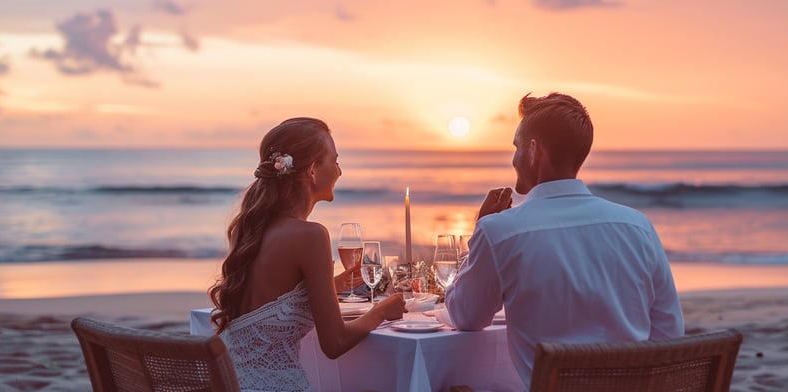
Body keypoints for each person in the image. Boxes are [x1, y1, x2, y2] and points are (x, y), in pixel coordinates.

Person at [444, 93, 684, 388]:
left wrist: (478, 235)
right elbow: (669, 335)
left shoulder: (500, 232)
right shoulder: (638, 227)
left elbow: (466, 316)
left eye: (517, 147)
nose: (514, 158)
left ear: (534, 151)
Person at [208, 117, 406, 391]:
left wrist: (332, 284)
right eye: (335, 161)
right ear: (313, 170)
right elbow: (335, 343)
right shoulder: (310, 235)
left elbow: (270, 303)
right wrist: (383, 310)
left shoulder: (253, 229)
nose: (339, 171)